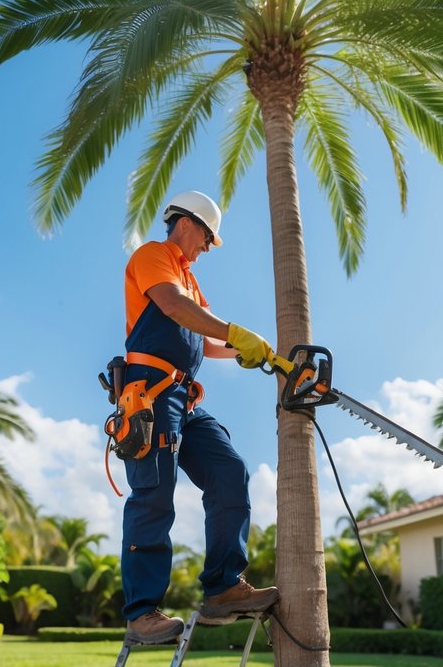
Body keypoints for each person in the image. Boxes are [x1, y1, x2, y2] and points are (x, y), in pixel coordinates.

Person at [118, 190, 280, 644]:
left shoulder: (189, 277)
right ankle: (142, 612)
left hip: (185, 400)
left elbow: (204, 340)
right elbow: (172, 307)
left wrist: (252, 350)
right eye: (208, 238)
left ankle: (224, 587)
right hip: (150, 395)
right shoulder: (155, 256)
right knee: (153, 495)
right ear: (189, 223)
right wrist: (233, 331)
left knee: (230, 472)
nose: (208, 248)